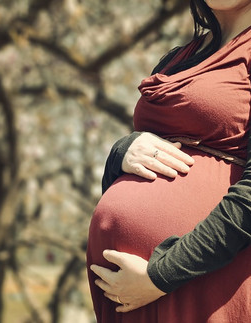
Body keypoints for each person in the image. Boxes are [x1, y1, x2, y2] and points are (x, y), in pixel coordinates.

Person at [86, 0, 251, 322]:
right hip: (132, 288)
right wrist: (122, 151)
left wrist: (162, 275)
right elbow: (152, 149)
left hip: (201, 276)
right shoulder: (179, 57)